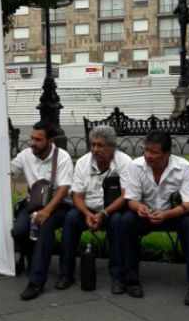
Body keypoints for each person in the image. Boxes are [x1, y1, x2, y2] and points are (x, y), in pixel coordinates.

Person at [121, 130, 189, 306]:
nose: (148, 156)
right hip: (147, 215)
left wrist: (167, 214)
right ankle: (131, 280)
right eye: (146, 150)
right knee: (127, 221)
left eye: (154, 152)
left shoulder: (183, 167)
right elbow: (132, 200)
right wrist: (140, 208)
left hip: (174, 214)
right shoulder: (136, 166)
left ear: (167, 153)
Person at [59, 125, 132, 293]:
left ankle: (118, 277)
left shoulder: (125, 162)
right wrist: (86, 214)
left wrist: (104, 214)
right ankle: (66, 274)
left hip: (112, 210)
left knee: (118, 221)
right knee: (70, 218)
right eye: (93, 145)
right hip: (87, 209)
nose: (95, 149)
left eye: (100, 145)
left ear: (113, 147)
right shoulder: (83, 162)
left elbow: (125, 195)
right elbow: (77, 195)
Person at [10, 121, 74, 300]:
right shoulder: (25, 155)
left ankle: (36, 281)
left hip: (58, 205)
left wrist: (47, 211)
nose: (32, 142)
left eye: (38, 140)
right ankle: (33, 260)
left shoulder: (62, 157)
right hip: (34, 204)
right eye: (31, 138)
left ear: (50, 140)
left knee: (45, 228)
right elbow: (9, 171)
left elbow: (63, 189)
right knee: (19, 231)